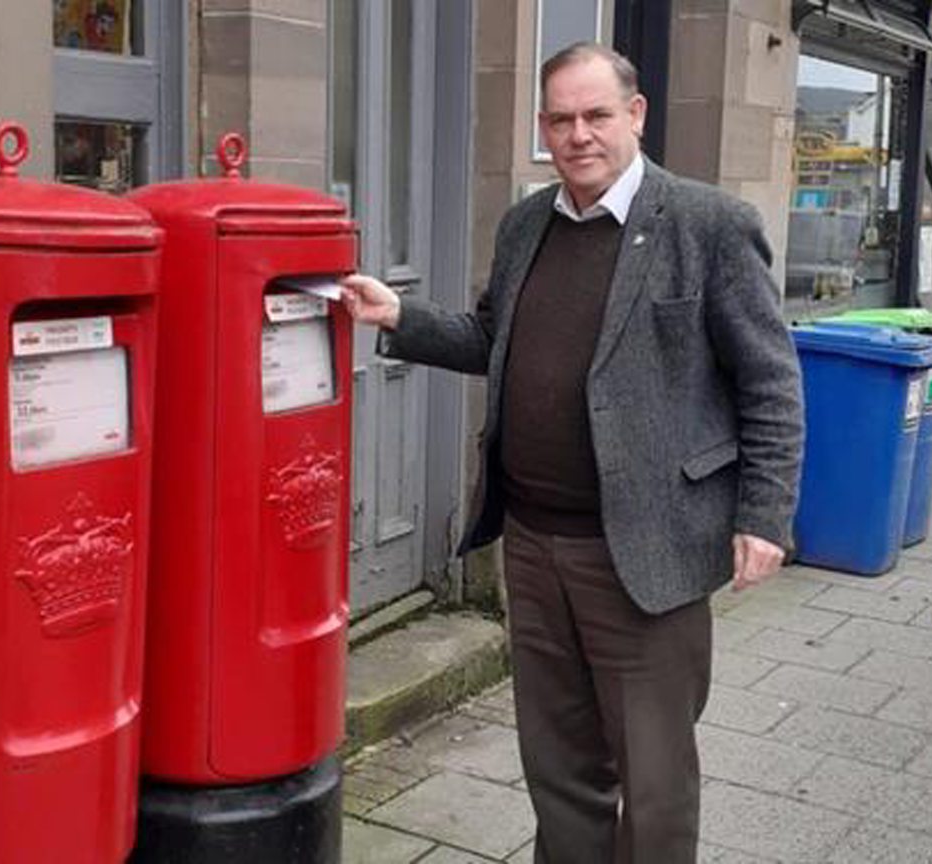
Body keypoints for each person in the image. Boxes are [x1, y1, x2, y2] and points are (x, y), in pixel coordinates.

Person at [341, 42, 804, 864]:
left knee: (655, 781)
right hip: (534, 543)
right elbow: (494, 340)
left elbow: (772, 384)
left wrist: (764, 515)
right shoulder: (527, 224)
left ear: (636, 115)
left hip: (644, 550)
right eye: (559, 118)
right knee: (557, 767)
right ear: (543, 128)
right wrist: (397, 318)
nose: (577, 134)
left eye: (595, 115)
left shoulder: (709, 226)